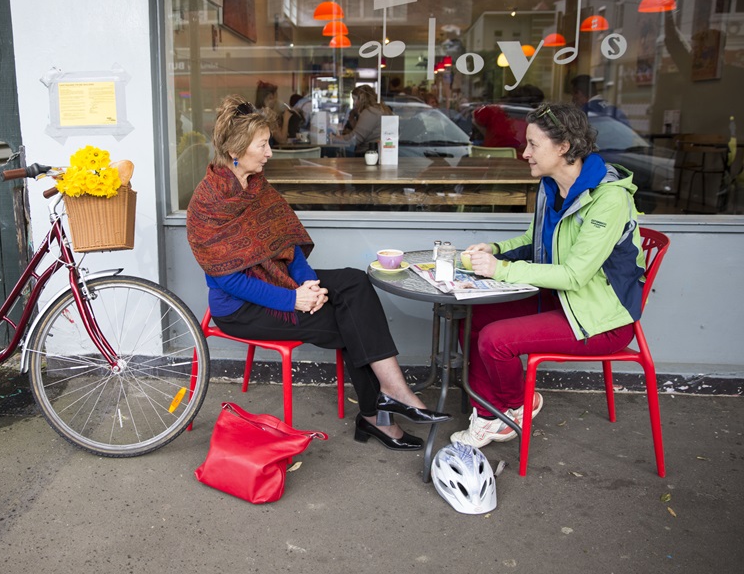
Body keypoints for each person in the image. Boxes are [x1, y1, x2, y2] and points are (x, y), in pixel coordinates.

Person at [187, 95, 450, 451]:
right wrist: (294, 298)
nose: (269, 153)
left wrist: (309, 284)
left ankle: (391, 394)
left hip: (286, 285)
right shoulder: (207, 204)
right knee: (349, 323)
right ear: (236, 149)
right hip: (241, 310)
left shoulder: (258, 189)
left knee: (354, 282)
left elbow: (289, 246)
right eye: (263, 145)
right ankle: (378, 415)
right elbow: (227, 279)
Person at [451, 102, 646, 448]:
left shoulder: (608, 199)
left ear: (563, 147)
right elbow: (531, 241)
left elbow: (574, 275)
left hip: (600, 318)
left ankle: (515, 407)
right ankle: (488, 413)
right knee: (472, 315)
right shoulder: (552, 186)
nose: (524, 153)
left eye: (533, 145)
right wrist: (494, 250)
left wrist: (503, 270)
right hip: (558, 299)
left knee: (495, 340)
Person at [330, 85, 393, 156]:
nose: (354, 103)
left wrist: (333, 139)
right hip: (378, 152)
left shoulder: (370, 112)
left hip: (367, 153)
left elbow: (355, 139)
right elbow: (358, 133)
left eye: (354, 99)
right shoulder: (380, 109)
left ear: (362, 98)